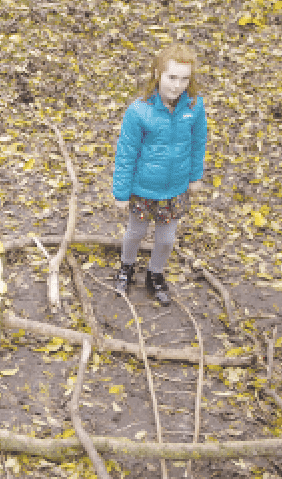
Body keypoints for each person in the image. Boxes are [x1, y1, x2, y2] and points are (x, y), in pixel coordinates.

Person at [111, 44, 207, 304]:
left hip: (174, 189)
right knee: (135, 232)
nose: (177, 86)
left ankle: (155, 273)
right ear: (157, 74)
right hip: (143, 188)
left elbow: (198, 143)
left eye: (184, 79)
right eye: (172, 77)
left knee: (166, 239)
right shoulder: (139, 111)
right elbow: (126, 152)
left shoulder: (194, 107)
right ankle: (126, 267)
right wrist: (121, 192)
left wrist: (195, 176)